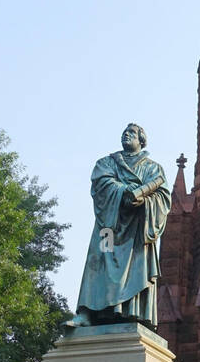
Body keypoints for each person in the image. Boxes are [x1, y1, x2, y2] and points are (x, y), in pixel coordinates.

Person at [68, 124, 171, 328]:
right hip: (109, 227)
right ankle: (88, 313)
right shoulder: (107, 162)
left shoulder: (153, 169)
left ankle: (131, 313)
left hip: (137, 230)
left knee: (135, 267)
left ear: (141, 140)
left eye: (132, 133)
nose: (126, 134)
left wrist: (143, 201)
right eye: (124, 132)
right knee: (98, 260)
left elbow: (163, 198)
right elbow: (101, 184)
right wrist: (125, 191)